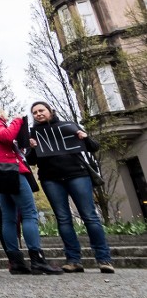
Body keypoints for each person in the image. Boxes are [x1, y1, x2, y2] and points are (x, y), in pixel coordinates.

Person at [27, 101, 114, 274]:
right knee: (63, 218)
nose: (38, 114)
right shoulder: (33, 133)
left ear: (50, 111)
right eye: (35, 112)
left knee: (90, 216)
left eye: (41, 110)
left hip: (77, 175)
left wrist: (85, 137)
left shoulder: (68, 126)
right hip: (51, 179)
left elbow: (93, 147)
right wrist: (31, 149)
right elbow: (31, 161)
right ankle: (73, 260)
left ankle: (104, 259)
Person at [0, 107, 62, 275]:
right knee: (29, 214)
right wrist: (17, 120)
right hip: (11, 170)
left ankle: (16, 261)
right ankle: (37, 259)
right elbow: (6, 136)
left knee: (9, 218)